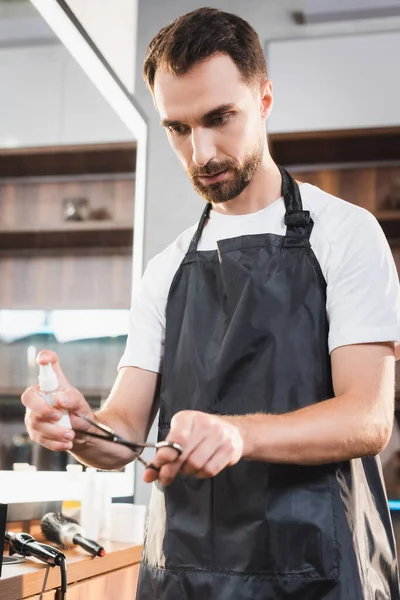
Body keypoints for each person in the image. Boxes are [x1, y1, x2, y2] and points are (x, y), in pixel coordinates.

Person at [21, 7, 400, 600]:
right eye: (177, 128)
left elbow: (368, 418)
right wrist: (76, 427)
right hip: (184, 577)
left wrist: (239, 435)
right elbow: (120, 431)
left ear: (265, 98)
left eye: (220, 118)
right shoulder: (166, 269)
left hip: (318, 575)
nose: (201, 153)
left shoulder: (345, 234)